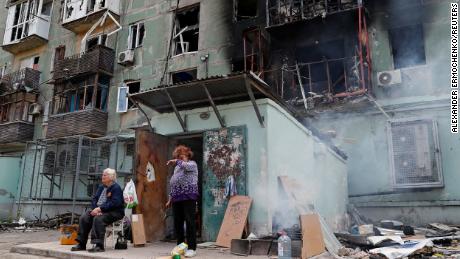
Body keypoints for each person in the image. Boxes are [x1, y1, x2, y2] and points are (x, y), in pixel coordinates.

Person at [71, 168, 125, 253]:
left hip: (115, 212)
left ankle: (99, 245)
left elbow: (115, 203)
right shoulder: (101, 187)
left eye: (104, 175)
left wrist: (100, 209)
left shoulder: (116, 188)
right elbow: (94, 199)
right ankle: (81, 244)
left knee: (98, 219)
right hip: (99, 210)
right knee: (84, 217)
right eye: (103, 174)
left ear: (111, 177)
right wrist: (95, 209)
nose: (102, 176)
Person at [166, 145, 199, 258]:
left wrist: (177, 161)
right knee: (178, 223)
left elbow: (185, 165)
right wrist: (170, 198)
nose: (180, 158)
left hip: (188, 196)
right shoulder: (177, 168)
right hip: (177, 197)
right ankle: (181, 246)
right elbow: (174, 183)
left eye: (182, 156)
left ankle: (191, 248)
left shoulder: (192, 164)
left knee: (190, 222)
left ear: (187, 155)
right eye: (178, 156)